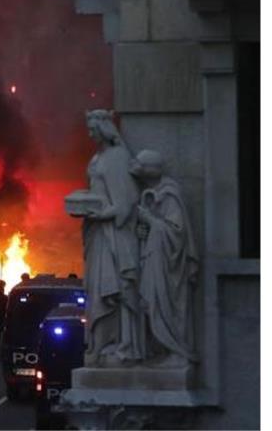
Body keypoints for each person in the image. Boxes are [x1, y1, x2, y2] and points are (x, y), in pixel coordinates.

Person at [80, 109, 143, 366]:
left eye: (93, 129)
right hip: (99, 236)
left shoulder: (117, 158)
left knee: (119, 289)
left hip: (115, 237)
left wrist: (99, 214)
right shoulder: (98, 158)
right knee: (98, 290)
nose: (90, 134)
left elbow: (125, 204)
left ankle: (125, 344)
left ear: (105, 128)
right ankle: (102, 342)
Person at [131, 149, 199, 366]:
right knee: (149, 305)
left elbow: (176, 232)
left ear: (153, 170)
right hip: (153, 260)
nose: (138, 170)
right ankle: (160, 349)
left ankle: (176, 352)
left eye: (142, 166)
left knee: (164, 305)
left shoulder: (170, 194)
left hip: (169, 267)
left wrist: (149, 220)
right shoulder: (151, 191)